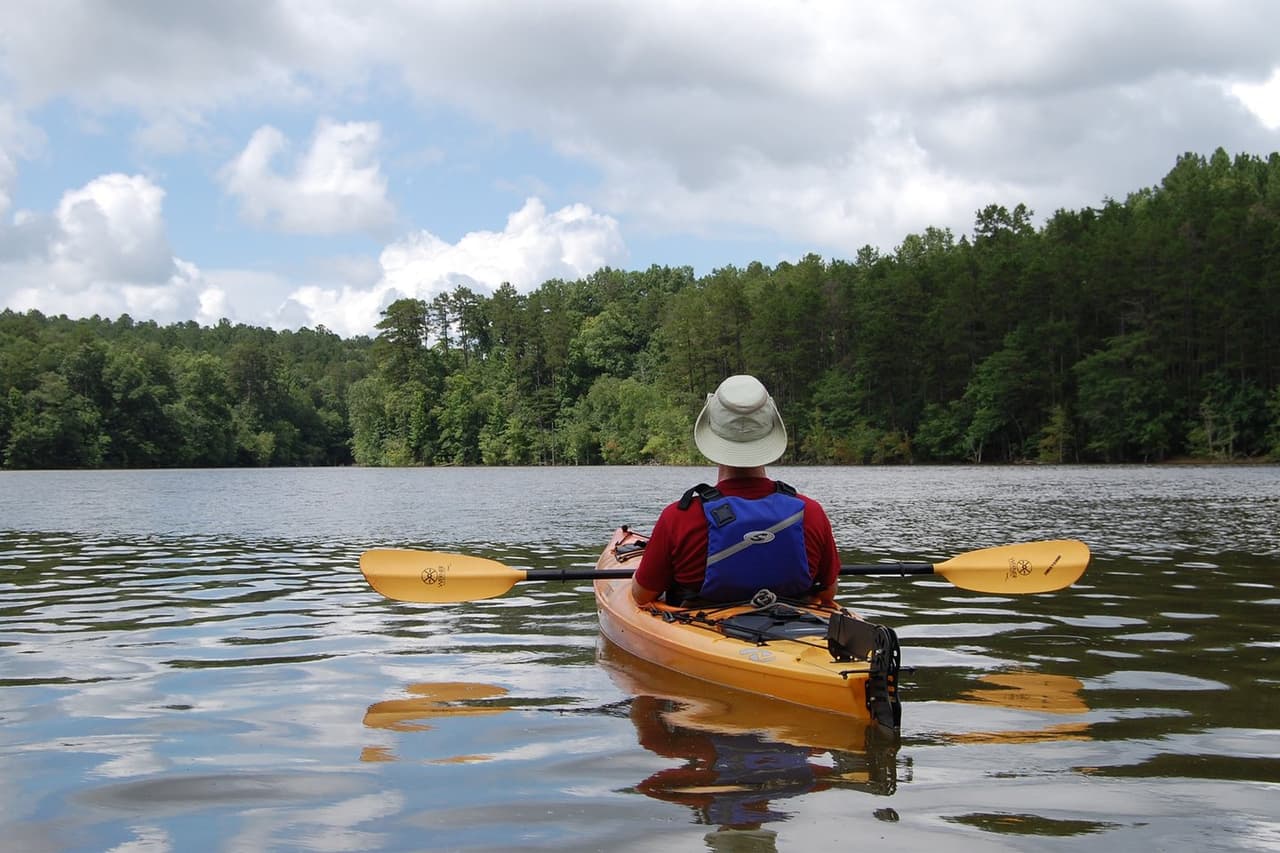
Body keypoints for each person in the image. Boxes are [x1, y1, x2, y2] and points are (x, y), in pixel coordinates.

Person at [631, 374, 841, 608]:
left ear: (711, 434)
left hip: (701, 625)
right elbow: (828, 592)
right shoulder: (811, 513)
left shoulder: (679, 518)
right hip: (796, 625)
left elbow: (642, 595)